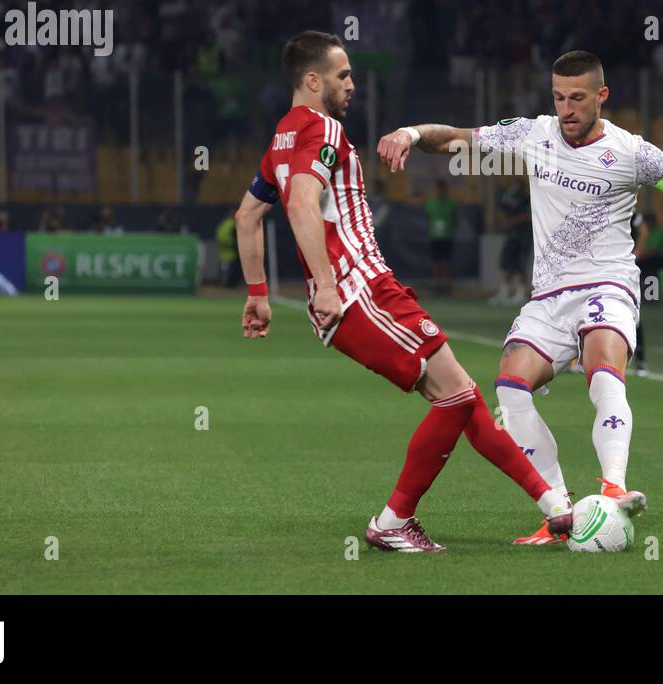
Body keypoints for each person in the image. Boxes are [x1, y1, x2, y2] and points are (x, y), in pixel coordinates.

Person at [379, 49, 663, 545]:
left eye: (576, 98)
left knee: (601, 367)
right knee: (509, 386)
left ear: (601, 96)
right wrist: (412, 134)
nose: (566, 108)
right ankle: (561, 510)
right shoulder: (534, 134)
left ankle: (614, 486)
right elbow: (458, 140)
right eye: (558, 97)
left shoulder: (634, 152)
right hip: (548, 296)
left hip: (607, 284)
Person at [236, 30, 572, 553]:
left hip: (364, 289)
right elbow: (302, 204)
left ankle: (556, 508)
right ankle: (393, 522)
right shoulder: (322, 128)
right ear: (311, 80)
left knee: (461, 394)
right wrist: (326, 286)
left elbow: (247, 215)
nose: (352, 84)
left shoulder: (283, 134)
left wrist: (259, 292)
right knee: (457, 396)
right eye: (342, 75)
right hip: (358, 290)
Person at [631, 210, 663, 375]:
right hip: (602, 268)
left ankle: (640, 361)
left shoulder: (629, 208)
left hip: (625, 269)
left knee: (633, 315)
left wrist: (637, 253)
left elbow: (643, 229)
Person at [490, 176, 531, 305]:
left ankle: (521, 292)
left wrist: (513, 220)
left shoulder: (526, 199)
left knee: (520, 265)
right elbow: (502, 211)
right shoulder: (509, 199)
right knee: (506, 263)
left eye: (517, 185)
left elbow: (529, 215)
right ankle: (504, 292)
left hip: (523, 235)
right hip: (511, 235)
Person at [424, 180, 456, 296]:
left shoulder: (451, 204)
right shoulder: (431, 204)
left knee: (446, 263)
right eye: (438, 189)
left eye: (441, 189)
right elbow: (428, 217)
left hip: (447, 237)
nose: (439, 191)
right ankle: (437, 285)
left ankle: (446, 285)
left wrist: (450, 228)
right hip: (435, 237)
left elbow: (455, 218)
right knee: (436, 263)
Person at [215, 207, 239, 288]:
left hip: (222, 252)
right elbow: (234, 237)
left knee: (223, 269)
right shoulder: (232, 224)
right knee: (229, 270)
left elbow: (218, 236)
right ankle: (228, 285)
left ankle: (223, 284)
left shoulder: (223, 224)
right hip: (230, 252)